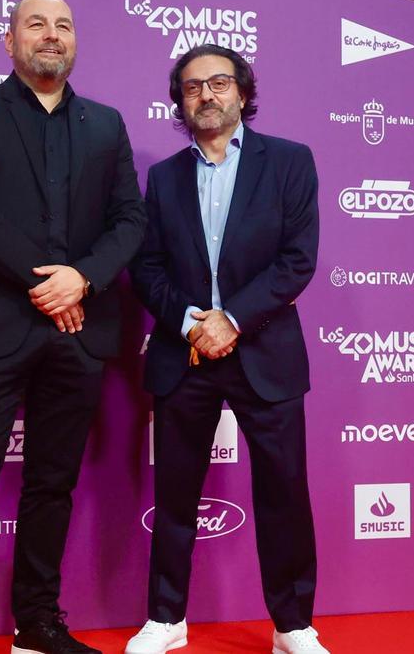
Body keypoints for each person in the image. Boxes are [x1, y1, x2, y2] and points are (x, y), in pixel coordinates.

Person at [0, 0, 146, 654]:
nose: (51, 36)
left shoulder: (106, 124)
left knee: (54, 480)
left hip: (80, 327)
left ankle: (38, 623)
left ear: (75, 42)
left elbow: (129, 220)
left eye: (64, 25)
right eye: (36, 24)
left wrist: (85, 278)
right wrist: (49, 281)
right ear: (10, 40)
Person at [126, 44, 327, 654]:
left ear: (242, 92)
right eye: (192, 88)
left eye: (218, 83)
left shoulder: (290, 162)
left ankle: (292, 624)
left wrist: (232, 320)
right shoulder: (162, 179)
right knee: (175, 492)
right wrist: (193, 323)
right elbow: (148, 266)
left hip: (265, 351)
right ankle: (167, 618)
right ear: (180, 103)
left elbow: (298, 261)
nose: (206, 95)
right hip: (185, 353)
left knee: (284, 493)